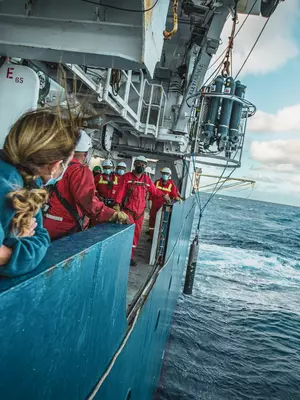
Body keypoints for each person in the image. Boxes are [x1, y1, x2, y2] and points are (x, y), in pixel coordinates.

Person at [0, 107, 80, 276]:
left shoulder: (29, 184)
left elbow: (41, 237)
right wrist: (10, 253)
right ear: (55, 165)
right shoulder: (6, 187)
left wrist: (11, 247)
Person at [43, 131, 128, 240]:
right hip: (65, 229)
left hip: (45, 223)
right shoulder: (80, 171)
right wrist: (112, 214)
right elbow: (88, 202)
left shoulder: (56, 165)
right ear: (86, 153)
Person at [117, 156, 170, 266]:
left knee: (136, 236)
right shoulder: (126, 177)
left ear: (145, 166)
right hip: (128, 212)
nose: (140, 165)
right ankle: (121, 255)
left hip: (140, 214)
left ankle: (129, 257)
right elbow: (120, 192)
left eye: (143, 164)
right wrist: (116, 206)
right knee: (126, 235)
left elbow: (154, 191)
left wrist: (164, 195)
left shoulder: (147, 180)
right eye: (138, 163)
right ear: (134, 164)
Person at [149, 167, 181, 238]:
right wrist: (150, 201)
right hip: (155, 205)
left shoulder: (171, 184)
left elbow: (174, 194)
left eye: (166, 174)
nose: (165, 175)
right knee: (152, 221)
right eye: (163, 174)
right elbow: (152, 192)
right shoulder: (157, 182)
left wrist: (178, 198)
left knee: (162, 222)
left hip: (164, 206)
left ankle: (159, 237)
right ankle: (151, 237)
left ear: (169, 175)